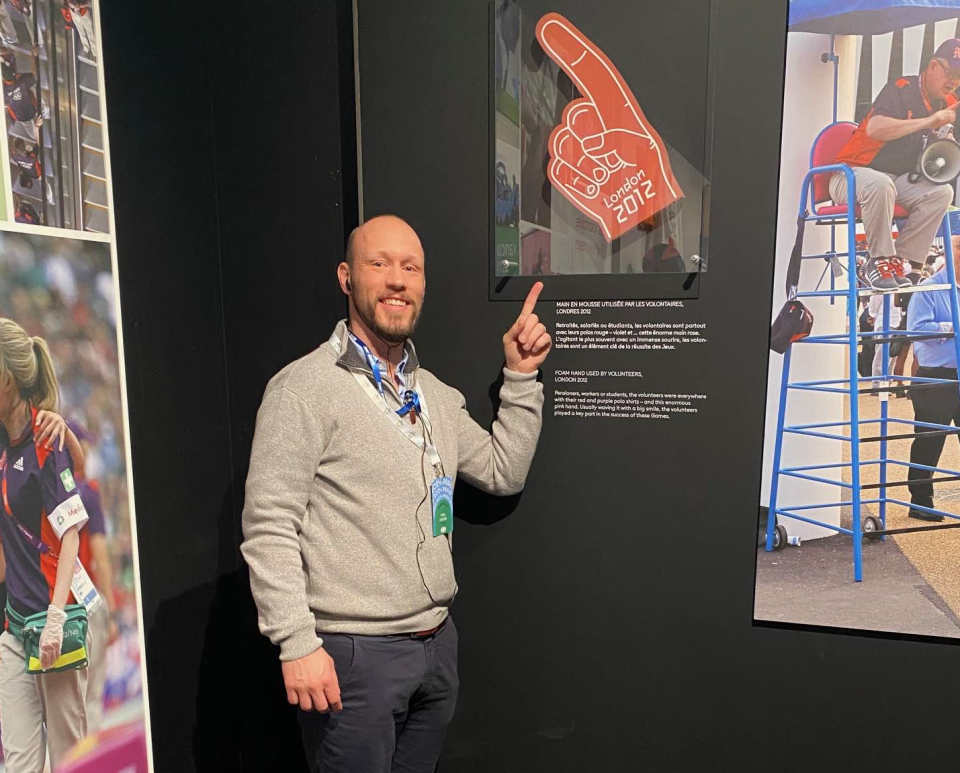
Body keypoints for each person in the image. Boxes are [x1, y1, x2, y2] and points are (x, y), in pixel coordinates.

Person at [241, 214, 551, 772]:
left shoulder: (433, 394)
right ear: (346, 277)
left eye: (410, 267)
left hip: (437, 645)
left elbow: (504, 472)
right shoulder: (303, 389)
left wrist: (521, 376)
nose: (396, 280)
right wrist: (296, 643)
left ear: (424, 284)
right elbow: (269, 525)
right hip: (353, 657)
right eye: (378, 264)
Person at [0, 318, 94, 772]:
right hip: (14, 629)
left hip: (53, 623)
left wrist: (57, 620)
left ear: (8, 380)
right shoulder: (3, 438)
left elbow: (71, 531)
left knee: (70, 759)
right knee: (18, 763)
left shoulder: (45, 438)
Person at [831, 38, 960, 290]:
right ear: (933, 66)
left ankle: (905, 262)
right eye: (952, 73)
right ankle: (878, 260)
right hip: (848, 175)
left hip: (894, 181)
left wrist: (943, 139)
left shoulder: (945, 102)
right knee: (881, 184)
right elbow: (876, 128)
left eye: (959, 77)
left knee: (942, 192)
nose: (954, 82)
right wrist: (928, 122)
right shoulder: (901, 88)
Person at [905, 233, 960, 521]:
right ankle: (920, 502)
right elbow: (916, 330)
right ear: (947, 252)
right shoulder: (928, 288)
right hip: (935, 378)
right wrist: (954, 327)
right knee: (929, 440)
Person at [69, 419, 116, 733]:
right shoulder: (87, 492)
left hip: (56, 603)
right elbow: (99, 550)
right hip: (86, 603)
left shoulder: (45, 492)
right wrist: (110, 606)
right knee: (91, 696)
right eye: (83, 444)